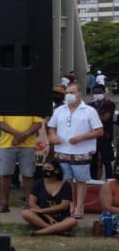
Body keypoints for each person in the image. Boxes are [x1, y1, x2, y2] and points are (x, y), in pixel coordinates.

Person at [46, 83, 103, 222]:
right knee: (67, 180)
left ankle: (80, 206)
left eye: (72, 92)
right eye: (67, 93)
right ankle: (70, 205)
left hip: (81, 152)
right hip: (62, 151)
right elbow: (51, 127)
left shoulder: (89, 110)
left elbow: (99, 131)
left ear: (79, 93)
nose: (69, 95)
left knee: (81, 180)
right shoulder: (60, 110)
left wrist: (82, 137)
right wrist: (53, 136)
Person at [0, 114, 41, 213]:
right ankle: (4, 204)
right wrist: (18, 135)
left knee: (28, 175)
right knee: (5, 174)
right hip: (7, 144)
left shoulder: (30, 104)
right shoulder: (3, 104)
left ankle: (29, 203)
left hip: (28, 145)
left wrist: (24, 135)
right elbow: (0, 123)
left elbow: (38, 123)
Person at [21, 159, 76, 236]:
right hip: (42, 216)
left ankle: (38, 232)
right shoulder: (38, 183)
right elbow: (32, 202)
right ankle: (58, 231)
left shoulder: (66, 185)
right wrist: (46, 215)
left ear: (56, 171)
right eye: (44, 168)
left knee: (72, 221)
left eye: (48, 168)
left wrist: (43, 211)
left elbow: (64, 205)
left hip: (61, 217)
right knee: (26, 213)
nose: (45, 170)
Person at [90, 86, 115, 180]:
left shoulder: (109, 103)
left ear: (104, 92)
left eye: (99, 92)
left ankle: (109, 179)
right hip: (93, 136)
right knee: (93, 160)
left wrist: (92, 116)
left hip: (105, 136)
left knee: (107, 160)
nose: (97, 94)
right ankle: (92, 179)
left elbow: (106, 118)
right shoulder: (90, 104)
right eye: (95, 92)